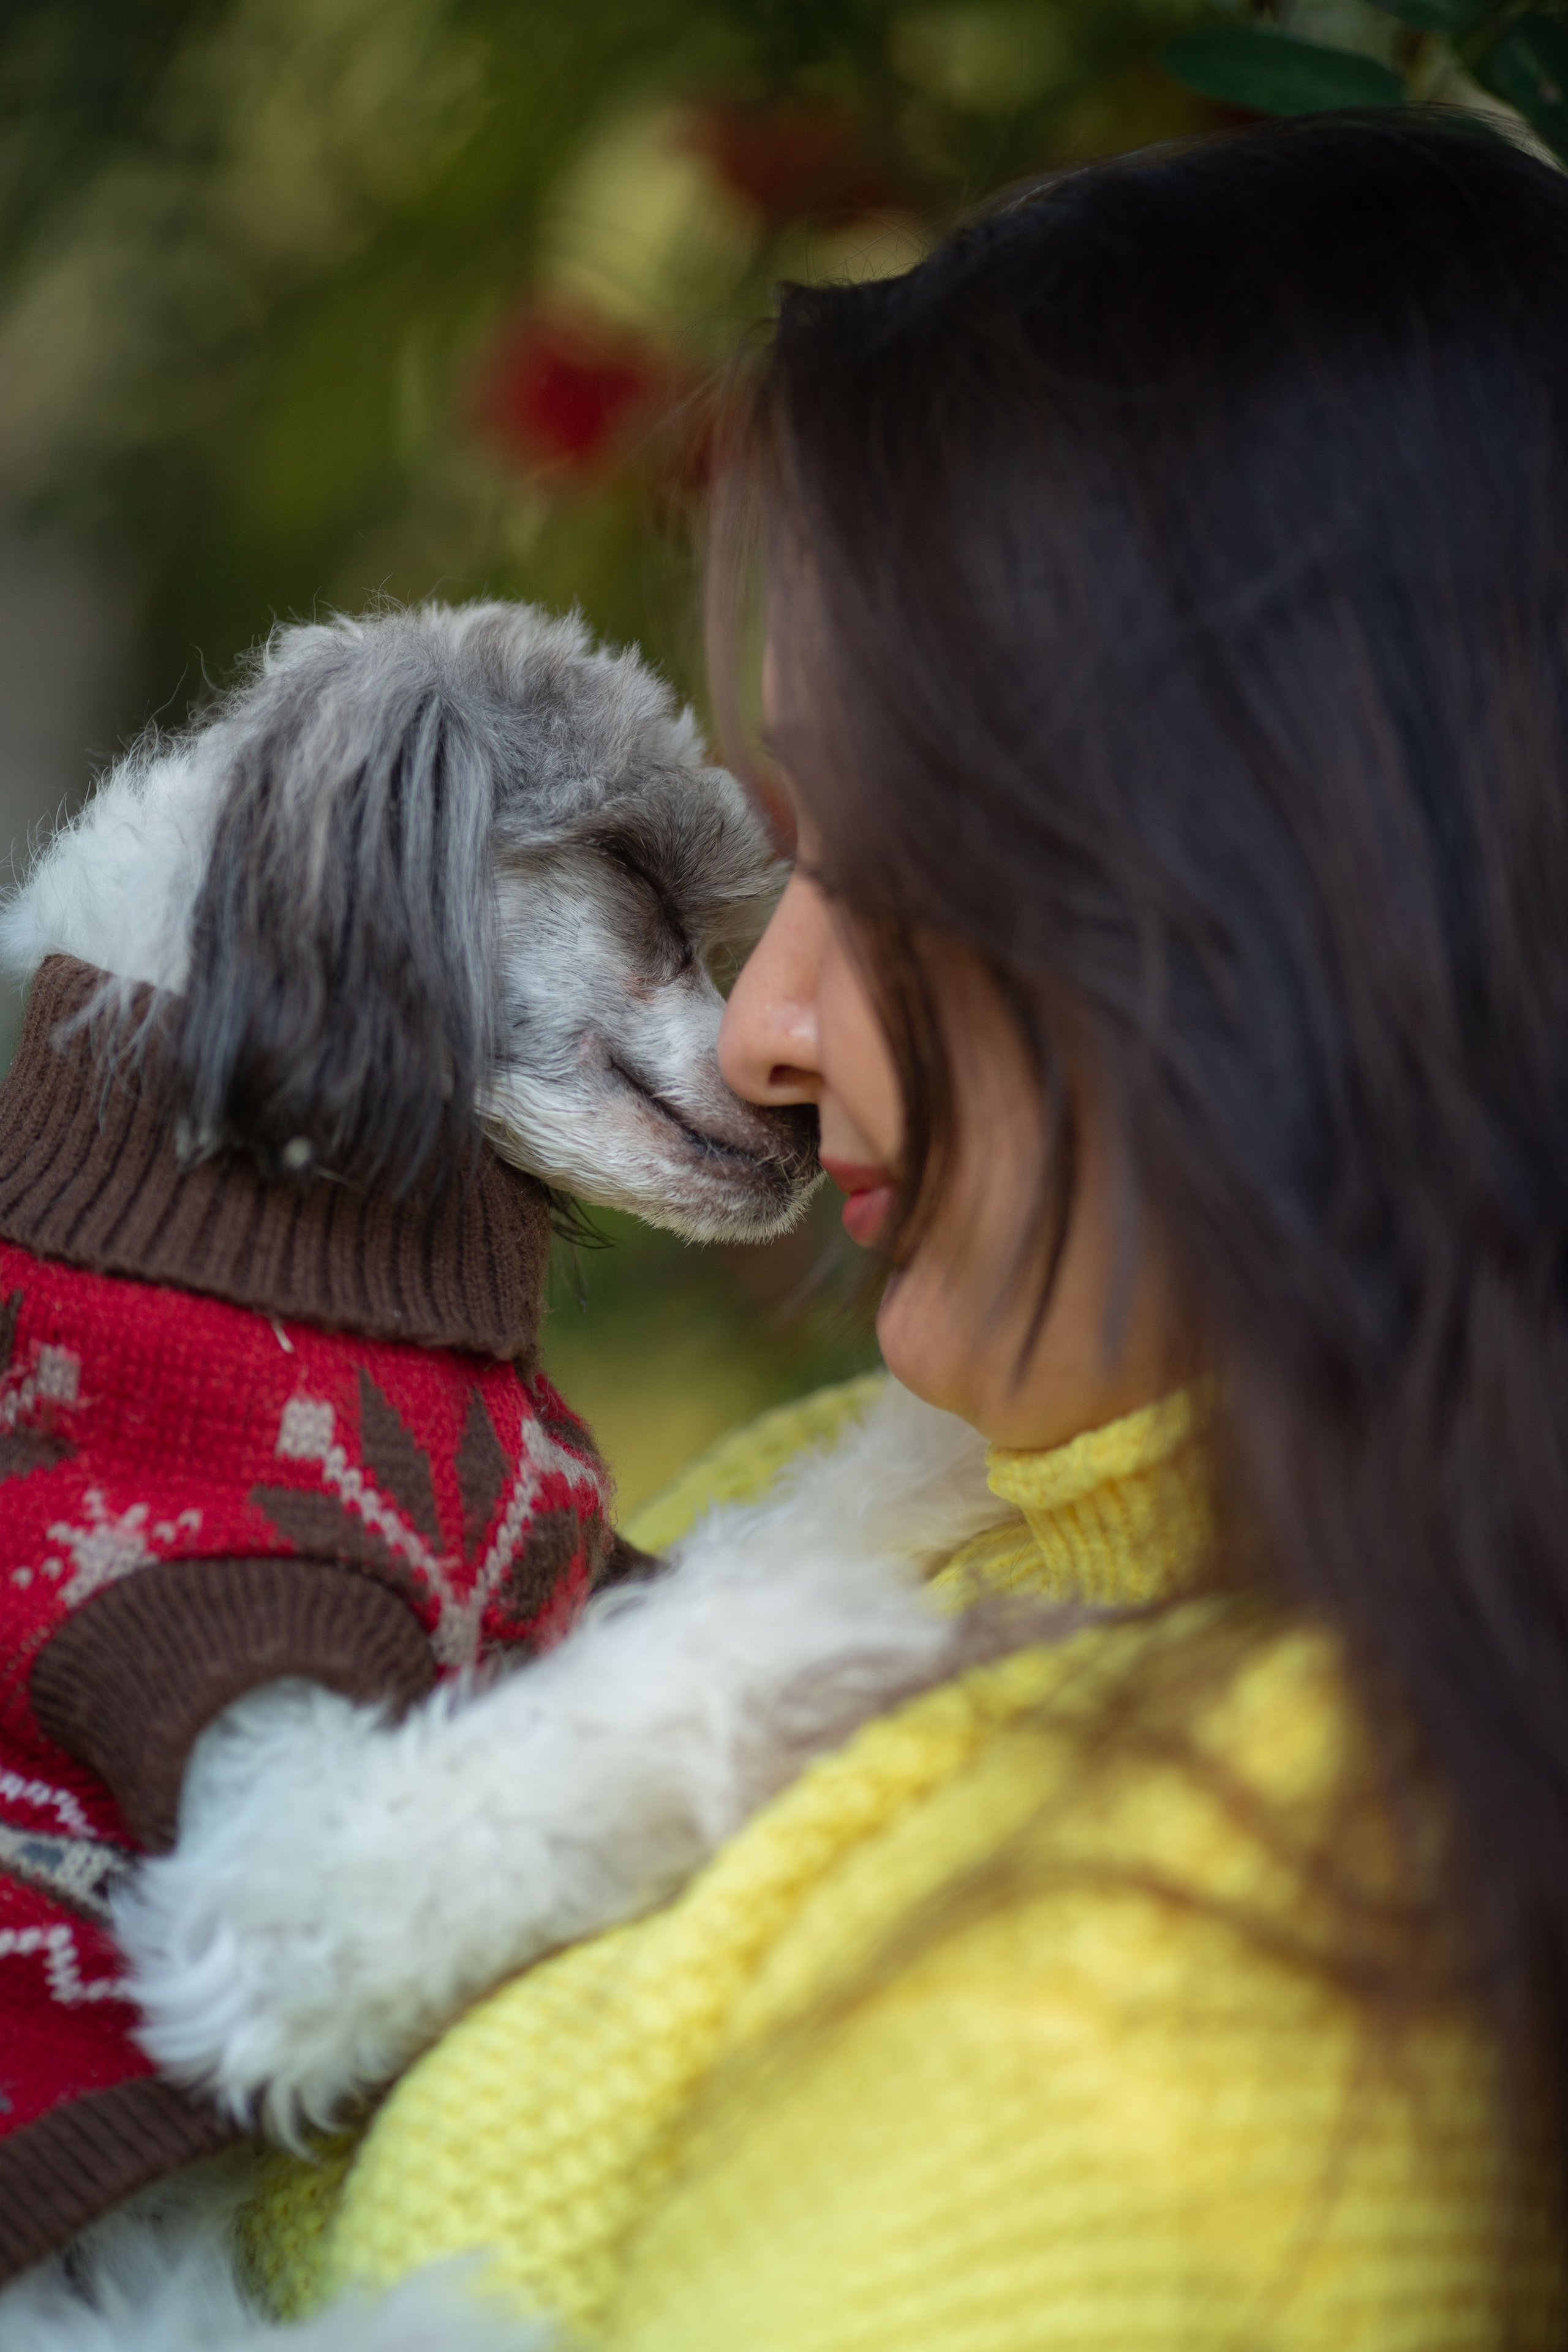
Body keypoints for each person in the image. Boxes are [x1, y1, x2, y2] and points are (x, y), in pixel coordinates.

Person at [244, 113, 1568, 2347]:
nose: (764, 1031)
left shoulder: (1266, 1961)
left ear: (1290, 881)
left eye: (894, 858)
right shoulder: (868, 1493)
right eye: (792, 850)